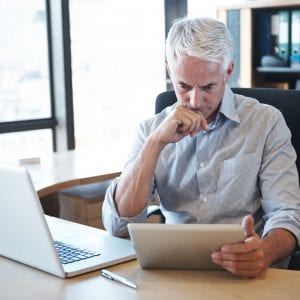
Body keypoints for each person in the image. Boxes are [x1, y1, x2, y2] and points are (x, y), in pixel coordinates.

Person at [102, 17, 300, 278]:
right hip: (175, 274)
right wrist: (154, 144)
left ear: (228, 71)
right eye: (183, 86)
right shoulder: (151, 130)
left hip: (249, 275)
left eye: (208, 87)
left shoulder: (267, 123)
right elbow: (119, 225)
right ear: (169, 70)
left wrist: (264, 251)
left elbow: (287, 214)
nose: (195, 101)